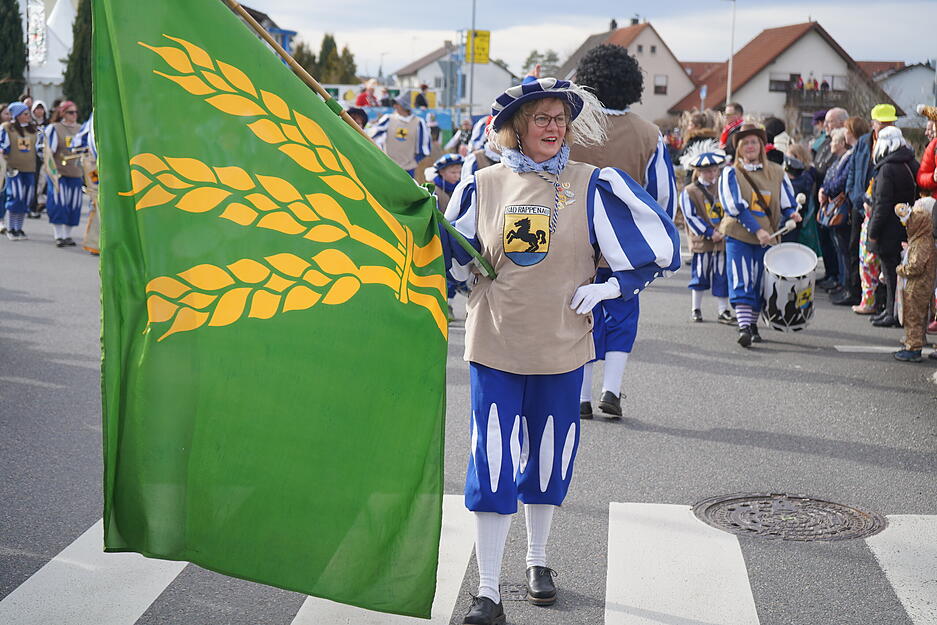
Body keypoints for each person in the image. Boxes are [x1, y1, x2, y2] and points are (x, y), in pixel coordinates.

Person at [443, 77, 680, 625]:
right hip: (495, 342)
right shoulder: (481, 185)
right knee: (494, 460)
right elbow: (452, 261)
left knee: (548, 458)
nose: (553, 127)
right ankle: (487, 592)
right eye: (541, 118)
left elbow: (659, 243)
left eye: (559, 118)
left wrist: (610, 286)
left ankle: (537, 559)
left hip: (563, 346)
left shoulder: (593, 184)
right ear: (516, 129)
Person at [568, 43, 676, 419]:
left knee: (580, 314)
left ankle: (580, 394)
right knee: (623, 313)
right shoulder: (649, 134)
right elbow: (662, 196)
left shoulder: (570, 127)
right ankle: (611, 389)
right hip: (625, 244)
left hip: (573, 237)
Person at [718, 123, 801, 347]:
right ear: (738, 149)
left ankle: (753, 325)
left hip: (769, 236)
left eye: (754, 142)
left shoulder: (777, 172)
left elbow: (786, 202)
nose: (750, 146)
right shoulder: (730, 172)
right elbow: (734, 206)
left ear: (762, 146)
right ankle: (744, 326)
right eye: (745, 143)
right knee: (742, 277)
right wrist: (758, 230)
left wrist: (792, 214)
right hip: (740, 235)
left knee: (760, 282)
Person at [867, 125, 916, 328]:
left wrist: (873, 232)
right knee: (896, 273)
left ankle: (892, 312)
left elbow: (882, 204)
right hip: (905, 226)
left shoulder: (887, 168)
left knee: (890, 273)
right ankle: (892, 310)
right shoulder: (911, 163)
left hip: (888, 229)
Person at [679, 142, 732, 323]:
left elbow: (730, 210)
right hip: (703, 241)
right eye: (709, 171)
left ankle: (723, 310)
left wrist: (723, 231)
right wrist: (710, 233)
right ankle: (696, 308)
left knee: (722, 275)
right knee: (700, 275)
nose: (713, 174)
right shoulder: (690, 191)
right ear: (699, 172)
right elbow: (691, 217)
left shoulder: (723, 187)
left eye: (715, 170)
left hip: (722, 239)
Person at [893, 199, 936, 361]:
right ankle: (918, 341)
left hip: (917, 286)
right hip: (921, 286)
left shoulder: (922, 243)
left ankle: (913, 348)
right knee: (919, 316)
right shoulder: (923, 239)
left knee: (913, 317)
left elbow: (915, 267)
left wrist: (901, 269)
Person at [817, 127, 854, 303]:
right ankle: (841, 282)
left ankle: (845, 284)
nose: (831, 144)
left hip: (841, 207)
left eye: (833, 141)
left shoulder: (847, 158)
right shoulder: (838, 159)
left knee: (843, 249)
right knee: (838, 247)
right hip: (831, 202)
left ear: (841, 143)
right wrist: (824, 189)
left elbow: (840, 180)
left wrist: (827, 190)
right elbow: (829, 178)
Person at [813, 108, 849, 292]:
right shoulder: (825, 143)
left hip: (835, 201)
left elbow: (835, 175)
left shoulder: (845, 152)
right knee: (827, 240)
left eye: (830, 121)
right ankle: (831, 273)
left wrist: (826, 189)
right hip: (823, 199)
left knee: (839, 246)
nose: (826, 125)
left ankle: (839, 278)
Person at [839, 115, 872, 309]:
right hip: (856, 203)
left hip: (865, 205)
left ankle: (858, 292)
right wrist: (853, 193)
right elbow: (852, 173)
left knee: (862, 251)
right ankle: (852, 290)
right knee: (853, 249)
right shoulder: (858, 148)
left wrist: (862, 197)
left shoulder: (866, 145)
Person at [43, 101, 85, 247]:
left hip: (75, 173)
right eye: (70, 112)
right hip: (59, 174)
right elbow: (47, 151)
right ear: (63, 113)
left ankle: (67, 235)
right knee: (58, 203)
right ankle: (58, 235)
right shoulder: (55, 129)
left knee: (73, 205)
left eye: (75, 112)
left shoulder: (81, 129)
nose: (74, 115)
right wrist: (52, 171)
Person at [0, 102, 40, 239]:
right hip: (13, 169)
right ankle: (11, 229)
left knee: (26, 198)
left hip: (29, 169)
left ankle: (19, 228)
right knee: (16, 196)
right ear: (17, 115)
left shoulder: (33, 130)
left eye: (28, 113)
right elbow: (2, 146)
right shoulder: (7, 128)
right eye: (25, 114)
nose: (28, 116)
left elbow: (40, 148)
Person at [368, 93, 430, 178]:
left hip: (409, 169)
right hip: (389, 167)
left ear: (403, 106)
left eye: (397, 104)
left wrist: (414, 162)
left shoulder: (419, 122)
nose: (394, 106)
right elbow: (372, 134)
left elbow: (424, 146)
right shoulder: (388, 119)